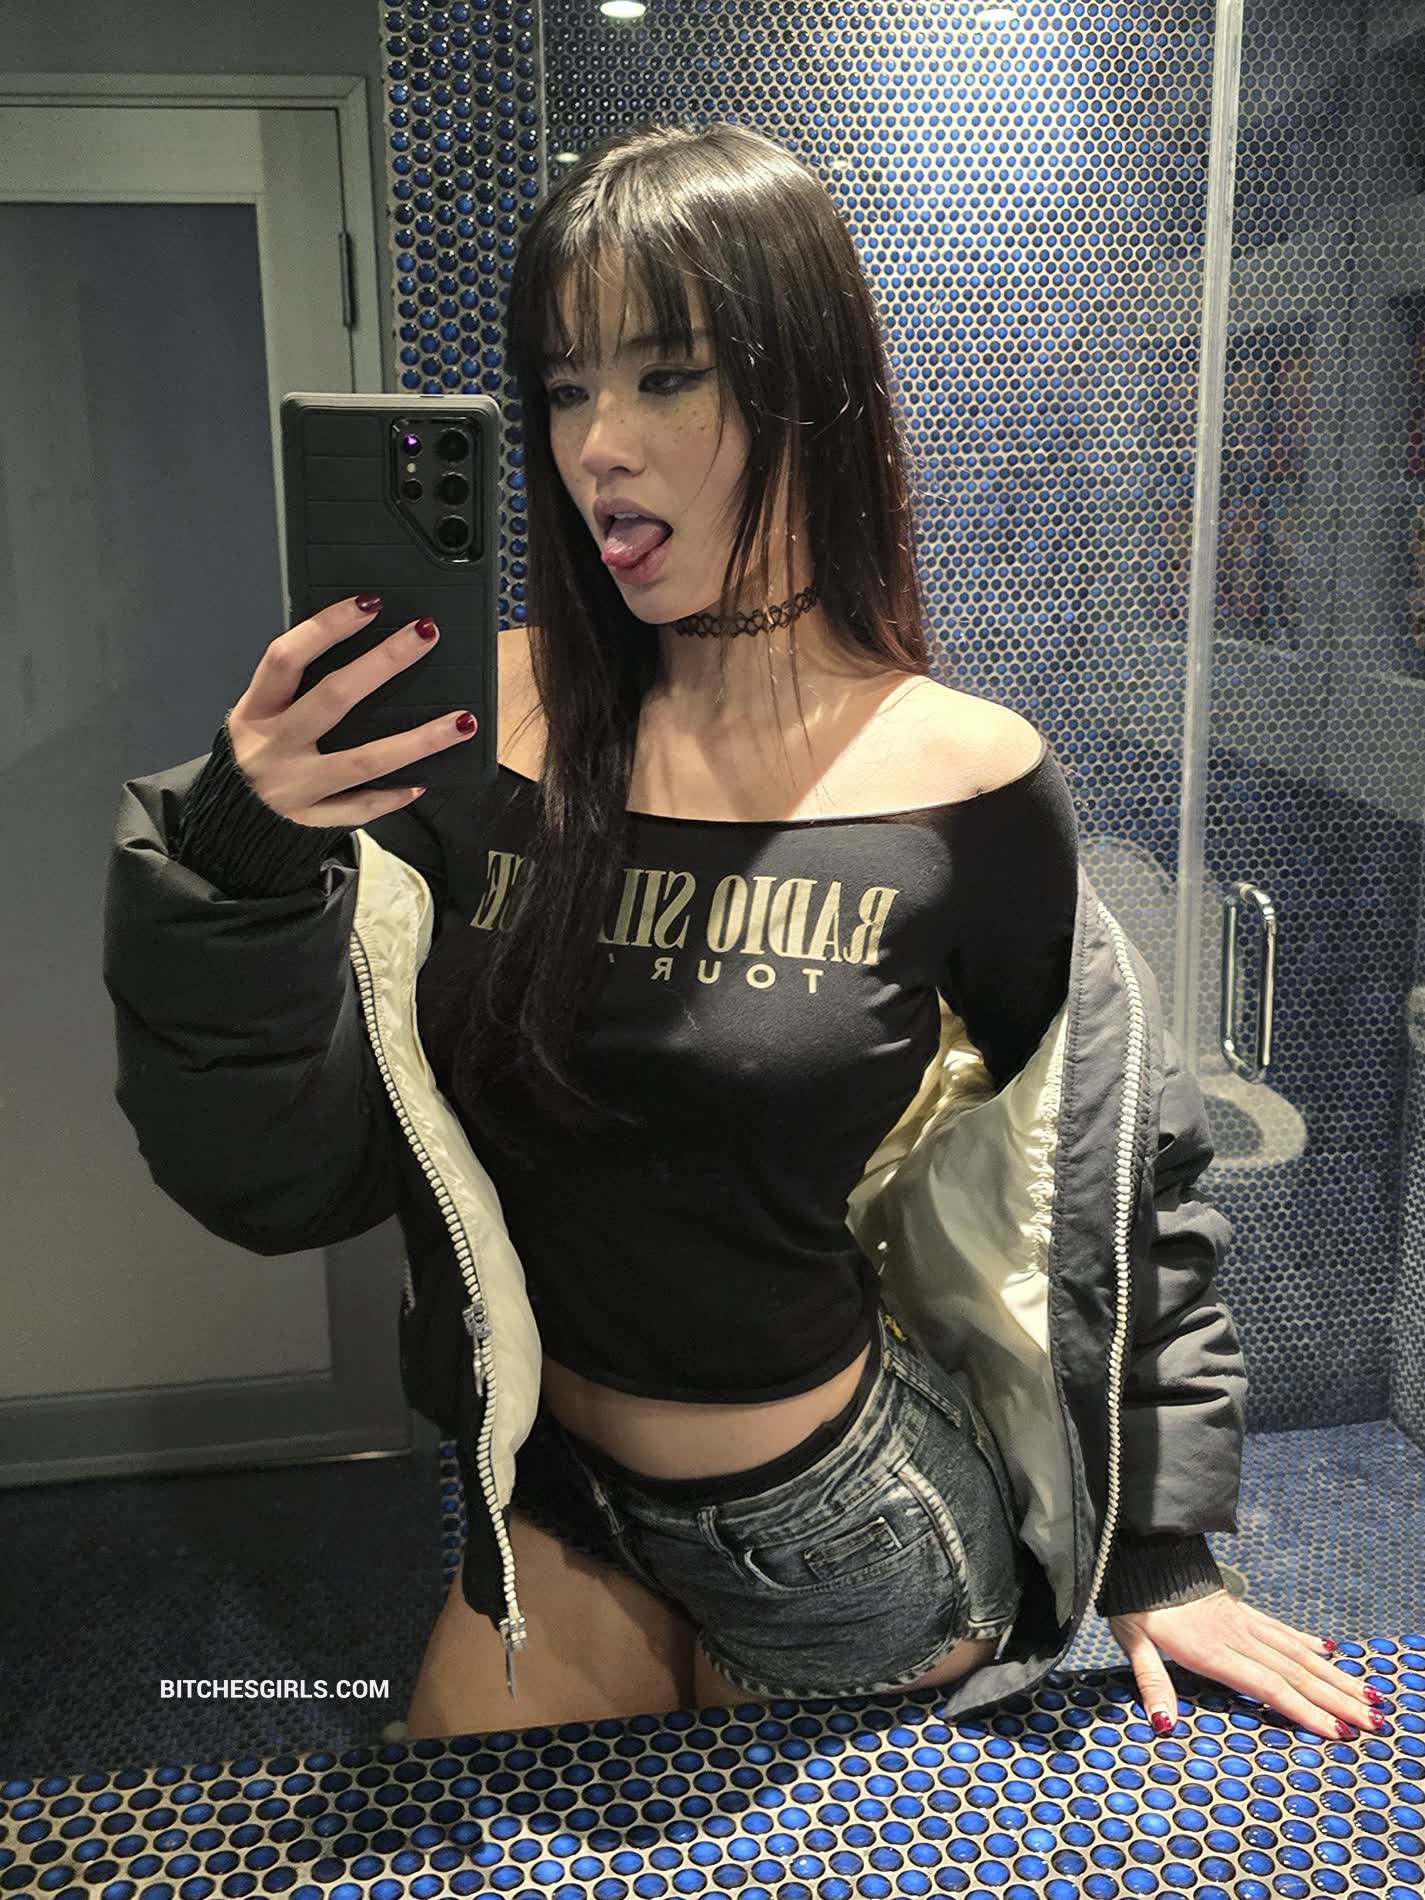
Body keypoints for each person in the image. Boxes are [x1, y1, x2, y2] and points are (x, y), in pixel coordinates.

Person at [104, 122, 1250, 1740]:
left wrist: (1162, 1551)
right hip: (551, 1494)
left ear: (807, 391)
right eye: (564, 387)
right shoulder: (470, 730)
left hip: (843, 1528)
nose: (598, 446)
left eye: (665, 376)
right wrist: (241, 855)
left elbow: (1120, 1179)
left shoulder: (964, 778)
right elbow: (278, 1185)